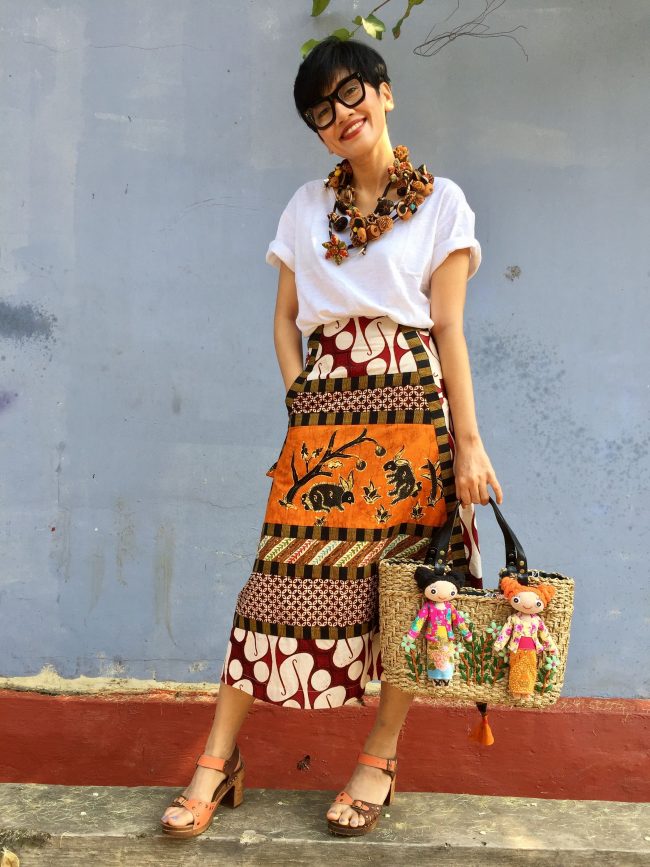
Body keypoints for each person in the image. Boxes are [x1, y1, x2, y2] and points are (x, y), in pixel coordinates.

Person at [161, 36, 502, 839]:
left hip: (414, 418)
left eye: (351, 93)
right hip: (326, 415)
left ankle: (379, 757)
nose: (341, 114)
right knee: (273, 580)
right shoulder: (305, 208)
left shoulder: (443, 203)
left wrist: (470, 442)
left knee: (407, 593)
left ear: (384, 93)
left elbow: (449, 329)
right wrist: (302, 403)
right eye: (322, 110)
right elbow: (285, 320)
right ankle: (217, 760)